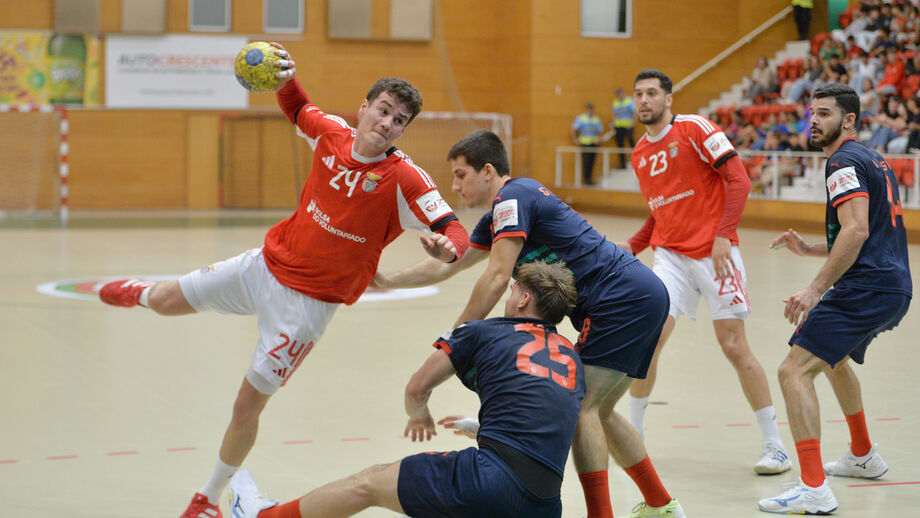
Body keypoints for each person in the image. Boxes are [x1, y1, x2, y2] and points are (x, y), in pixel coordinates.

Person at [97, 43, 470, 518]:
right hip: (265, 265)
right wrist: (286, 77)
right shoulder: (331, 133)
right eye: (383, 110)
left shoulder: (405, 179)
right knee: (166, 301)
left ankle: (208, 498)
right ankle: (141, 293)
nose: (387, 123)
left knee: (246, 407)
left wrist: (447, 248)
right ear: (363, 108)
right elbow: (296, 107)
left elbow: (454, 229)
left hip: (305, 311)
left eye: (399, 120)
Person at [375, 129, 686, 518]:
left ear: (488, 171)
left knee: (581, 408)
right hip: (639, 293)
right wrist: (385, 280)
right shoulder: (499, 215)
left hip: (620, 297)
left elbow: (495, 277)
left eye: (460, 174)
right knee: (599, 411)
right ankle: (662, 505)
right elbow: (446, 267)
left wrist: (456, 341)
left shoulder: (513, 196)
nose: (454, 186)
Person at [225, 261, 585, 518]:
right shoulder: (571, 356)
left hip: (488, 480)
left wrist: (419, 415)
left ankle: (263, 516)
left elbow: (416, 388)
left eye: (513, 291)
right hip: (545, 503)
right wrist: (486, 428)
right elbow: (553, 417)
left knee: (368, 483)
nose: (508, 299)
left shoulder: (484, 331)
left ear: (523, 300)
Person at [622, 69, 791, 476]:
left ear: (668, 99)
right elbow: (660, 211)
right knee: (648, 341)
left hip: (715, 253)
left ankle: (775, 446)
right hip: (670, 258)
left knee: (733, 345)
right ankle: (634, 436)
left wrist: (724, 235)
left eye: (652, 93)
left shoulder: (695, 128)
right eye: (638, 94)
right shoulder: (640, 153)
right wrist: (633, 246)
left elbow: (739, 180)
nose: (644, 100)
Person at [758, 83, 911, 514]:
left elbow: (856, 229)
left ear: (849, 120)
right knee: (833, 360)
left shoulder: (842, 160)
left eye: (824, 114)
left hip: (867, 287)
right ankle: (863, 455)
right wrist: (810, 249)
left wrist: (814, 289)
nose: (814, 121)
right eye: (812, 113)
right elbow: (867, 232)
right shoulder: (873, 159)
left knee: (793, 371)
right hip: (891, 285)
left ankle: (813, 489)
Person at [571, 102, 604, 185]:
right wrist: (575, 139)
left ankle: (589, 179)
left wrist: (599, 139)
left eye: (591, 108)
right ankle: (586, 179)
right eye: (589, 108)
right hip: (585, 143)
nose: (590, 110)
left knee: (592, 162)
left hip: (594, 144)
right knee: (586, 162)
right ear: (586, 109)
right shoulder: (581, 118)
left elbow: (600, 130)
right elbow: (573, 129)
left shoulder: (596, 119)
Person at [611, 87, 636, 168]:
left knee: (631, 141)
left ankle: (636, 160)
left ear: (623, 93)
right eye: (617, 94)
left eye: (620, 93)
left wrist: (632, 123)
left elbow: (634, 112)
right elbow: (613, 114)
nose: (619, 95)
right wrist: (613, 124)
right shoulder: (615, 102)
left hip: (628, 125)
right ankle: (623, 164)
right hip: (618, 126)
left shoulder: (629, 101)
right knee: (620, 145)